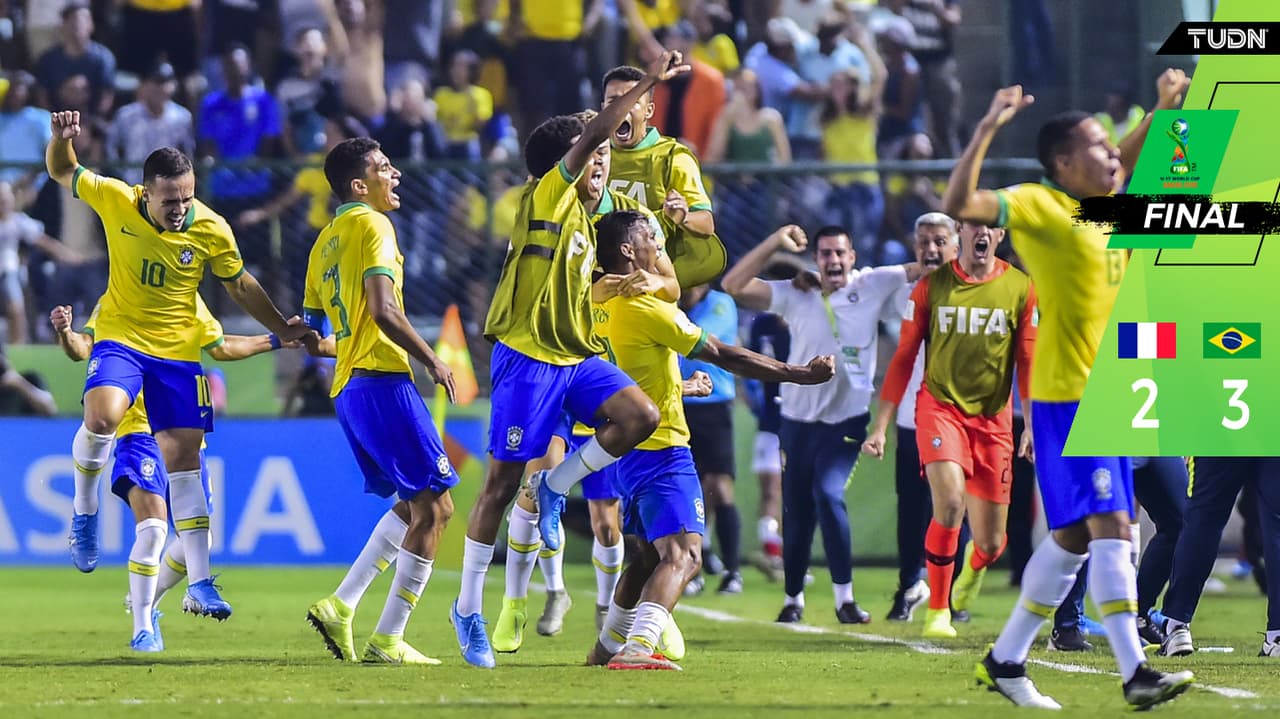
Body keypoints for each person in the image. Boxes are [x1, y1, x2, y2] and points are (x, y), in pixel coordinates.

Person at [942, 70, 1195, 709]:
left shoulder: (1102, 211)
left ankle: (1005, 660)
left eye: (1113, 146)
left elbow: (1122, 160)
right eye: (1097, 146)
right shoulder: (1042, 206)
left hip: (1108, 393)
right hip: (1069, 397)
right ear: (1062, 163)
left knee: (1078, 538)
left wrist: (1162, 109)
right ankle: (1136, 672)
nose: (1113, 154)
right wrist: (987, 126)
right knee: (1115, 529)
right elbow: (959, 202)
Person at [455, 51, 691, 670]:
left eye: (608, 155)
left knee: (638, 415)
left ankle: (555, 487)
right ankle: (468, 609)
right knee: (500, 486)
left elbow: (603, 287)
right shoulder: (548, 194)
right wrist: (649, 82)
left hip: (573, 357)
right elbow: (592, 133)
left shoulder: (589, 221)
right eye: (595, 153)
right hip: (526, 360)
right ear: (567, 162)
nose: (602, 162)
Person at [49, 111, 309, 624]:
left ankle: (201, 582)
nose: (180, 208)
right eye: (170, 200)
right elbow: (64, 170)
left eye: (187, 198)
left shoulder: (211, 228)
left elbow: (240, 285)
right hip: (121, 338)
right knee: (101, 418)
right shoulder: (115, 198)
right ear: (145, 193)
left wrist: (281, 328)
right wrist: (62, 140)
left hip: (177, 355)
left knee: (186, 460)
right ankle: (84, 511)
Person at [586, 209, 834, 669]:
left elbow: (628, 374)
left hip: (622, 449)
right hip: (661, 449)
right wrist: (797, 373)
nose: (658, 244)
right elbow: (721, 353)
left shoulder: (595, 301)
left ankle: (605, 648)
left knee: (646, 558)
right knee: (685, 554)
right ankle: (638, 648)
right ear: (627, 250)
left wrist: (679, 386)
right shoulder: (645, 308)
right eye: (650, 237)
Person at [50, 298, 292, 651]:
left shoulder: (188, 301)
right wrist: (65, 332)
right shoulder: (122, 297)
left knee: (199, 542)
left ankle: (148, 601)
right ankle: (142, 628)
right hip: (139, 434)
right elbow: (84, 347)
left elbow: (221, 345)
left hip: (184, 436)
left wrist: (277, 339)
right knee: (153, 530)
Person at [300, 137, 460, 665]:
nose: (396, 175)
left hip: (349, 388)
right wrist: (432, 360)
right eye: (385, 168)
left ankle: (341, 605)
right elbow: (384, 309)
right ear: (359, 185)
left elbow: (315, 339)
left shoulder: (323, 243)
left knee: (415, 504)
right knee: (436, 509)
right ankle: (388, 639)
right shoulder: (374, 226)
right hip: (382, 379)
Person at [722, 223, 922, 624]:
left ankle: (845, 599)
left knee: (828, 495)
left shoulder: (873, 283)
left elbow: (924, 266)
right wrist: (775, 241)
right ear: (815, 260)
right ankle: (793, 599)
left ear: (853, 257)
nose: (834, 260)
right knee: (797, 511)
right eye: (826, 253)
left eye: (840, 253)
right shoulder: (797, 294)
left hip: (846, 422)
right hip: (796, 422)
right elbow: (733, 285)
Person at [863, 219, 1036, 639]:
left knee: (993, 543)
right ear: (962, 232)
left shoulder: (1020, 288)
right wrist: (880, 426)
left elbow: (1028, 363)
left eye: (990, 227)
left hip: (993, 421)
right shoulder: (931, 287)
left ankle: (975, 565)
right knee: (951, 502)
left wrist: (1031, 426)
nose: (982, 233)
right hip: (940, 410)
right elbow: (903, 359)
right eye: (974, 225)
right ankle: (938, 610)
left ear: (1000, 235)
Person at [882, 212, 958, 621]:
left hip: (962, 419)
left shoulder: (979, 291)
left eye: (939, 241)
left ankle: (951, 593)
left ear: (955, 245)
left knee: (955, 506)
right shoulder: (901, 293)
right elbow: (858, 288)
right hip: (913, 420)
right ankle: (909, 584)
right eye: (924, 241)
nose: (931, 249)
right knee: (911, 508)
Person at [600, 65, 722, 287]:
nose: (621, 108)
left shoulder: (672, 157)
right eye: (613, 101)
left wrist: (683, 217)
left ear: (649, 111)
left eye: (632, 101)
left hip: (654, 282)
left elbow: (706, 223)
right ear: (603, 108)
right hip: (599, 281)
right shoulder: (595, 155)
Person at [1158, 456, 1280, 659]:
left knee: (1202, 520)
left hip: (1219, 439)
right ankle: (1277, 636)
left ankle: (1177, 625)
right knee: (1277, 527)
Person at [679, 283, 744, 594]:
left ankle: (732, 570)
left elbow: (697, 339)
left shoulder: (721, 304)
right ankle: (692, 567)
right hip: (676, 402)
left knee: (719, 485)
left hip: (713, 403)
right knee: (684, 489)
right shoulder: (666, 300)